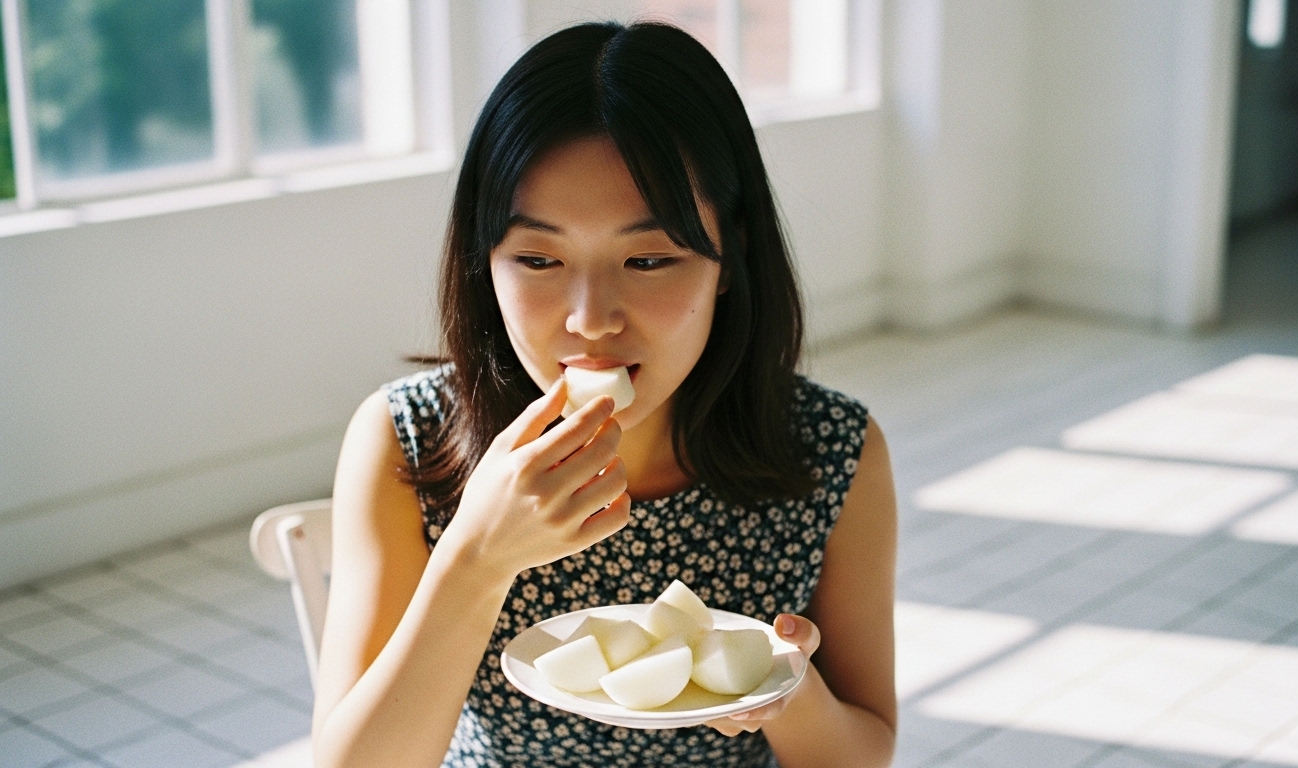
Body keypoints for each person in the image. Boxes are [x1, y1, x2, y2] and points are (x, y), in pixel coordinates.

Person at [311, 20, 897, 768]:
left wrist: (785, 690)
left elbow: (863, 755)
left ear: (733, 254)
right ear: (481, 260)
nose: (591, 320)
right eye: (537, 257)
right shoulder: (408, 437)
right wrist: (477, 559)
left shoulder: (831, 452)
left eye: (649, 258)